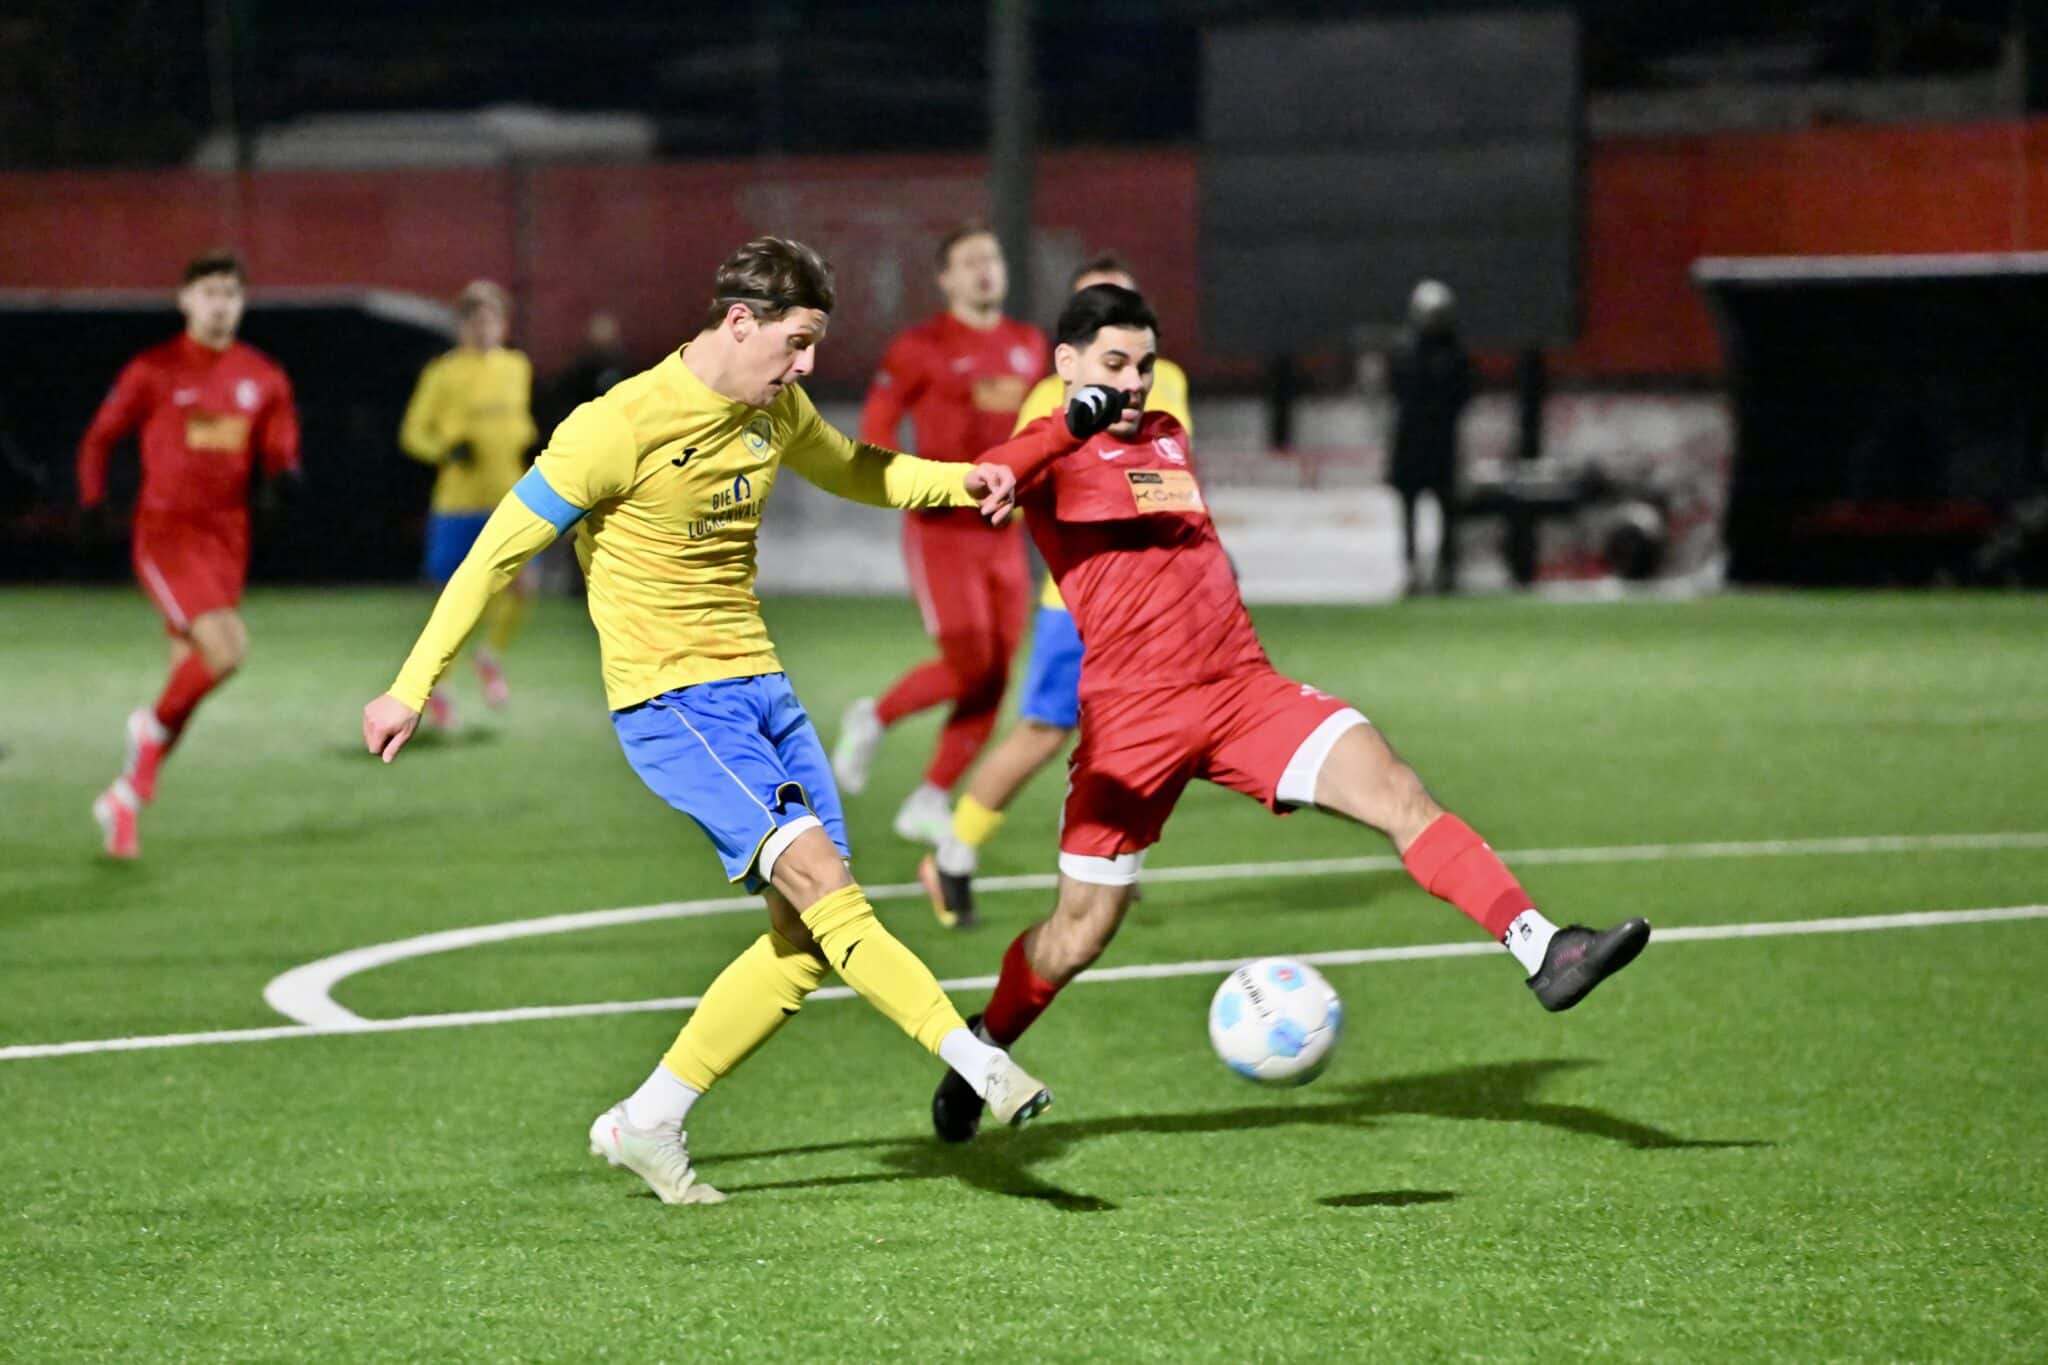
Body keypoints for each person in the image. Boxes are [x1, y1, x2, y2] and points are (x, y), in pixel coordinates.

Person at [360, 238, 1110, 1205]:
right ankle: (974, 1057)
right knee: (824, 883)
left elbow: (856, 469)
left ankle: (649, 1120)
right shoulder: (616, 424)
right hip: (672, 701)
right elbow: (495, 554)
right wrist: (412, 685)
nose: (804, 369)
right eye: (795, 344)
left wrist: (962, 480)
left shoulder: (776, 407)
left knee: (803, 944)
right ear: (739, 320)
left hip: (763, 691)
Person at [926, 285, 1651, 1142]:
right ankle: (983, 1047)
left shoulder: (1165, 435)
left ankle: (1543, 947)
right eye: (1114, 366)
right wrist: (1048, 437)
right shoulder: (1039, 457)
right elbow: (1000, 471)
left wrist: (1103, 414)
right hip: (1133, 722)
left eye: (1145, 366)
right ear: (1068, 366)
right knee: (1079, 934)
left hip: (1242, 688)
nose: (1133, 384)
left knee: (1395, 787)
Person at [917, 253, 1192, 928]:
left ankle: (1115, 863)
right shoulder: (1048, 399)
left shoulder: (1170, 382)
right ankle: (952, 853)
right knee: (1042, 733)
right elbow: (1014, 494)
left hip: (1154, 603)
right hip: (1079, 607)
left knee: (1152, 732)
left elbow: (1174, 473)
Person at [76, 249, 301, 860]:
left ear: (242, 302)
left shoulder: (263, 375)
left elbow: (279, 443)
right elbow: (100, 436)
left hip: (228, 538)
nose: (220, 303)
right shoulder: (155, 370)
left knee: (189, 682)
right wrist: (94, 502)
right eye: (208, 293)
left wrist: (285, 474)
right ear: (185, 301)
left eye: (230, 293)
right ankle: (143, 734)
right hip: (167, 534)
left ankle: (123, 802)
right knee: (227, 650)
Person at [833, 223, 1050, 846]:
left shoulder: (1029, 345)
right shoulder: (920, 346)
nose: (986, 269)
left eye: (993, 257)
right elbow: (877, 427)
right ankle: (873, 718)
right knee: (970, 662)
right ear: (946, 278)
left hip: (1003, 531)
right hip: (942, 530)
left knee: (997, 675)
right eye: (971, 261)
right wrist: (895, 480)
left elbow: (1040, 430)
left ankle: (929, 797)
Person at [398, 280, 538, 724]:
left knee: (522, 588)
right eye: (476, 320)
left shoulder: (517, 367)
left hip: (509, 500)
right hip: (457, 505)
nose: (484, 329)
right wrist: (447, 449)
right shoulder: (442, 373)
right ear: (462, 325)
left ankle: (490, 656)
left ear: (503, 324)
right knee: (452, 602)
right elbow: (413, 434)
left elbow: (520, 424)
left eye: (492, 320)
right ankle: (438, 684)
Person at [1387, 279, 1472, 594]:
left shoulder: (1456, 355)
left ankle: (1447, 572)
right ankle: (1410, 570)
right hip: (1410, 445)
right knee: (1409, 512)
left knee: (1448, 511)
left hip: (1442, 446)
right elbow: (1397, 392)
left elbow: (1464, 396)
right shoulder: (1403, 351)